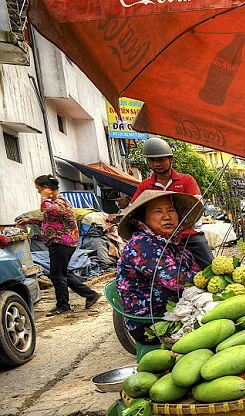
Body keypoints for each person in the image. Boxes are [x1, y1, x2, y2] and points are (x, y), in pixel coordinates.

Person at [116, 190, 208, 342]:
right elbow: (175, 280)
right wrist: (212, 279)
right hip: (151, 322)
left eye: (171, 210)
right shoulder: (142, 244)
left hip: (178, 308)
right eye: (158, 211)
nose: (167, 216)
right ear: (143, 218)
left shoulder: (171, 242)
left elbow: (195, 271)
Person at [16, 175, 100, 316]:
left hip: (62, 242)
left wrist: (44, 197)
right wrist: (29, 220)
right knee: (62, 273)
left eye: (39, 189)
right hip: (59, 242)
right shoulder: (56, 202)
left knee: (57, 275)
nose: (38, 192)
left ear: (46, 188)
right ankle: (89, 294)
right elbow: (48, 218)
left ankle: (63, 305)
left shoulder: (59, 202)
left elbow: (51, 210)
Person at [131, 137, 213, 267]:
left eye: (161, 159)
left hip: (187, 234)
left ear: (170, 159)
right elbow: (132, 209)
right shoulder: (145, 186)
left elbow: (197, 205)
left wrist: (183, 225)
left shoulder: (186, 180)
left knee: (210, 266)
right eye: (152, 160)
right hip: (157, 238)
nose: (157, 163)